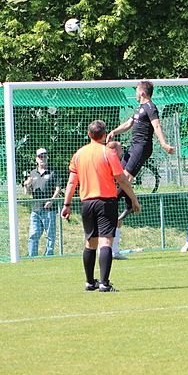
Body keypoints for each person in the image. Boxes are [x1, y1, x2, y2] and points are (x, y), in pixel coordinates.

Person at [60, 120, 141, 292]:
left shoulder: (79, 154)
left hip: (86, 203)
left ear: (89, 134)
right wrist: (133, 199)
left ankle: (90, 282)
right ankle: (104, 283)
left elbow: (71, 182)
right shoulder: (108, 153)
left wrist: (66, 204)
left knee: (90, 242)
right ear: (104, 135)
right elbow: (122, 179)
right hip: (106, 202)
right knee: (105, 241)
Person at [106, 80, 176, 258]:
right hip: (133, 147)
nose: (135, 94)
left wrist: (164, 144)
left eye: (137, 91)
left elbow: (156, 126)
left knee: (125, 178)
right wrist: (114, 131)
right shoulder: (139, 109)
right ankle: (126, 205)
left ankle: (121, 202)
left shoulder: (151, 107)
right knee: (118, 177)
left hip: (142, 147)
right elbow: (128, 124)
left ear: (143, 93)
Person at [23, 147, 61, 257]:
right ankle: (32, 256)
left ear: (47, 157)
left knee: (50, 235)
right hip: (35, 209)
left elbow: (58, 188)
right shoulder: (32, 173)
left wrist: (51, 200)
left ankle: (49, 255)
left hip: (49, 209)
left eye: (44, 156)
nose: (42, 158)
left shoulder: (53, 172)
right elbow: (28, 192)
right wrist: (26, 185)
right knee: (33, 234)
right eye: (40, 156)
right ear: (36, 159)